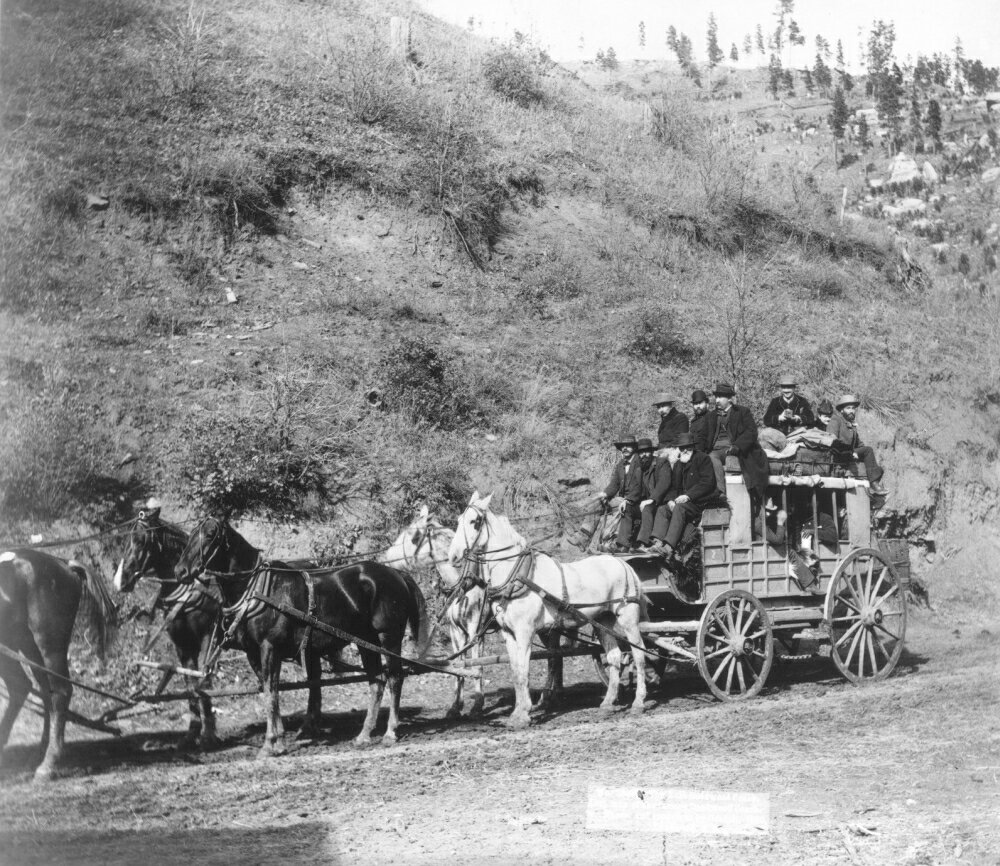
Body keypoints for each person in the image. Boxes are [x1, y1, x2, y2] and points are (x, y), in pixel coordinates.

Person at [646, 433, 719, 559]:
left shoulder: (703, 459)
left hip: (700, 503)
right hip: (683, 502)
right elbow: (674, 486)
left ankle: (669, 547)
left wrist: (688, 496)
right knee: (663, 509)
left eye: (688, 447)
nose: (685, 450)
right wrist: (670, 500)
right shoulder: (679, 464)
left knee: (680, 508)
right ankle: (658, 542)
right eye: (682, 447)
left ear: (693, 447)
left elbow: (707, 483)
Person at [708, 383, 769, 512]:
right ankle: (720, 492)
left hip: (735, 448)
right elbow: (704, 436)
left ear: (730, 398)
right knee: (711, 456)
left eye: (721, 397)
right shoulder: (711, 415)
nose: (717, 400)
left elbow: (751, 432)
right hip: (715, 450)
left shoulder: (742, 412)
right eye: (716, 397)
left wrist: (737, 446)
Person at [826, 394, 889, 497]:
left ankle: (873, 487)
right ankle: (874, 484)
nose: (851, 411)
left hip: (849, 453)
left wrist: (857, 451)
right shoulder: (836, 421)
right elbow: (832, 441)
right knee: (868, 450)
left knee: (868, 453)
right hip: (838, 453)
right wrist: (851, 452)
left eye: (853, 408)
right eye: (848, 408)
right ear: (841, 410)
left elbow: (859, 444)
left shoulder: (850, 424)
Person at [598, 434, 644, 551]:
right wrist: (605, 494)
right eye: (623, 446)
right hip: (622, 499)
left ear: (634, 448)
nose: (625, 448)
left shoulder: (640, 462)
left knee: (621, 505)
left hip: (637, 501)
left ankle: (612, 543)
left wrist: (628, 499)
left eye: (628, 446)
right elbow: (614, 485)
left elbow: (641, 486)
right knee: (598, 503)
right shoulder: (620, 465)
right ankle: (584, 536)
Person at [689, 388, 726, 496]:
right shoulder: (693, 421)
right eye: (695, 404)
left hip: (704, 451)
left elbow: (710, 438)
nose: (698, 406)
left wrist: (700, 453)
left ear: (706, 403)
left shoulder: (710, 417)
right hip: (694, 451)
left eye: (700, 403)